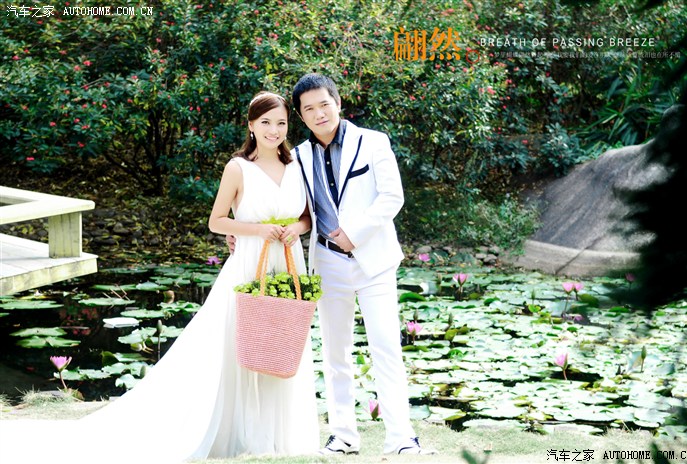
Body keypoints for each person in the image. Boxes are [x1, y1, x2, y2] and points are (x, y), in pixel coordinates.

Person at [0, 92, 319, 463]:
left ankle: (278, 436)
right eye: (265, 122)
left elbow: (307, 217)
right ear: (251, 125)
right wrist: (257, 230)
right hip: (251, 262)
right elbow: (217, 221)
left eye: (281, 123)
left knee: (283, 342)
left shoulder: (297, 165)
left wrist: (296, 229)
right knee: (240, 346)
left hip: (288, 261)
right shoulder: (238, 168)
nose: (274, 130)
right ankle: (238, 432)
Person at [230, 74, 434, 455]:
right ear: (301, 116)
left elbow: (393, 197)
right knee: (335, 353)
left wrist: (354, 233)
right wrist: (242, 231)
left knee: (386, 347)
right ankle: (343, 436)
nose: (319, 113)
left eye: (324, 104)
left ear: (338, 103)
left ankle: (401, 438)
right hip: (326, 262)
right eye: (309, 109)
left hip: (374, 261)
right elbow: (288, 205)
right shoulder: (297, 157)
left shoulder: (373, 142)